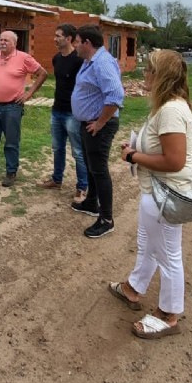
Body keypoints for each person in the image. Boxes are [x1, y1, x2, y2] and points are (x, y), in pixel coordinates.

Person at [109, 50, 192, 339]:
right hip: (157, 194)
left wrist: (134, 157)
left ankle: (169, 314)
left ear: (162, 76)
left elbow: (175, 161)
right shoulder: (166, 106)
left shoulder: (171, 109)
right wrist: (137, 147)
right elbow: (162, 147)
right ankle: (133, 288)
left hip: (166, 196)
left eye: (149, 70)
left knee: (168, 254)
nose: (145, 75)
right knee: (148, 244)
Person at [0, 30, 47, 187]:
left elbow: (42, 73)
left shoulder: (24, 58)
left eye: (6, 40)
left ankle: (11, 173)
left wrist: (28, 94)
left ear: (14, 43)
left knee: (11, 142)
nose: (2, 42)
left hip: (12, 107)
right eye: (1, 39)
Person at [71, 25, 125, 238]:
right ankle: (92, 202)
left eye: (76, 41)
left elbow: (115, 96)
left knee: (99, 170)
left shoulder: (102, 63)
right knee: (92, 166)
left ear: (86, 43)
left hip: (98, 125)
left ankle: (106, 218)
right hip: (88, 123)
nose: (75, 46)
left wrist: (100, 123)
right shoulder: (89, 62)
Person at [38, 24, 89, 203]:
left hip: (73, 114)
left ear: (68, 38)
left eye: (58, 36)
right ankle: (56, 179)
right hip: (57, 111)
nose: (55, 38)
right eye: (55, 35)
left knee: (78, 151)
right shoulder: (56, 58)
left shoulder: (79, 60)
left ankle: (82, 187)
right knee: (57, 148)